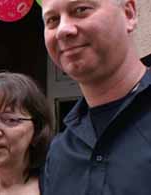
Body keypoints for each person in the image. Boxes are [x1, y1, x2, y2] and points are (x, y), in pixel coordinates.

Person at [41, 0, 151, 194]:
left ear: (128, 14)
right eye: (52, 20)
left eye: (81, 10)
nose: (63, 30)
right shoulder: (59, 153)